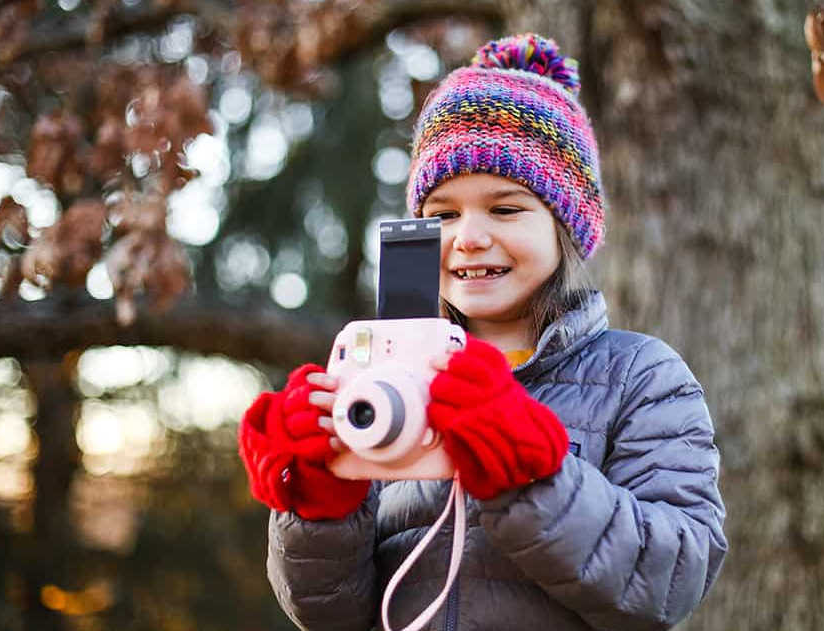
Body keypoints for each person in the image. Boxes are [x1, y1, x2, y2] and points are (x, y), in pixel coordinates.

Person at [238, 33, 727, 631]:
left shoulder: (639, 375)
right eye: (442, 214)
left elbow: (670, 579)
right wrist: (316, 506)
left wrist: (530, 474)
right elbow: (333, 613)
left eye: (505, 208)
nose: (467, 237)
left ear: (565, 228)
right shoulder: (383, 379)